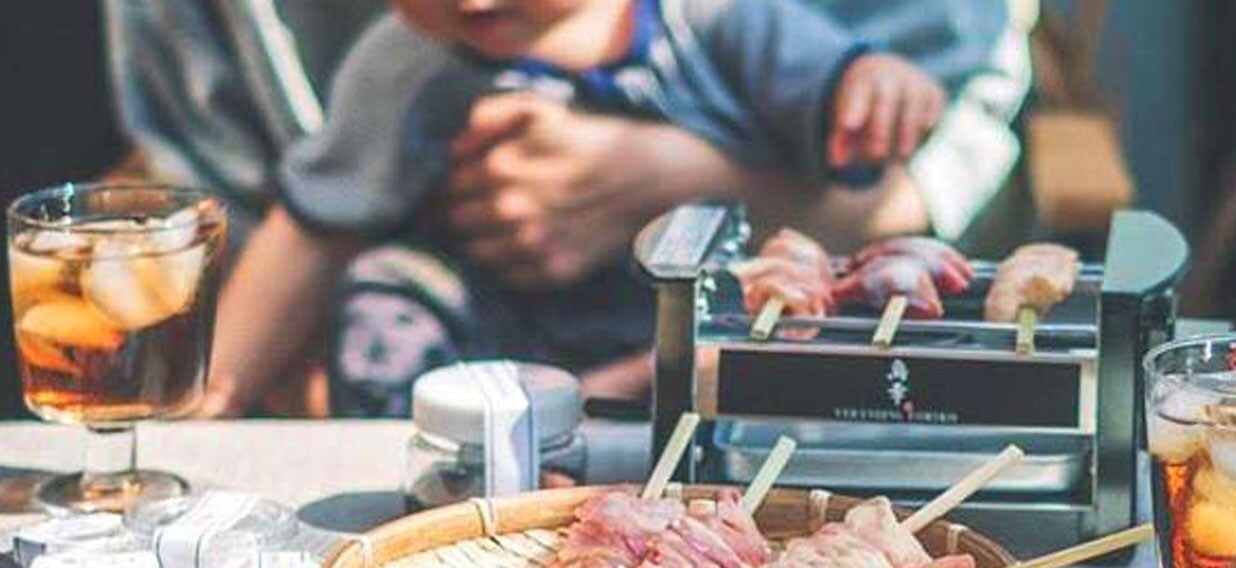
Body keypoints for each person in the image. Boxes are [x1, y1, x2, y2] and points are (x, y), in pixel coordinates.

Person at [105, 0, 1031, 416]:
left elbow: (842, 96)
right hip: (495, 342)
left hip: (682, 338)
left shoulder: (720, 19)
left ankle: (616, 404)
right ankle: (442, 457)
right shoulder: (406, 61)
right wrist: (207, 398)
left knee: (778, 317)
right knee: (386, 287)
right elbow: (314, 227)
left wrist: (879, 86)